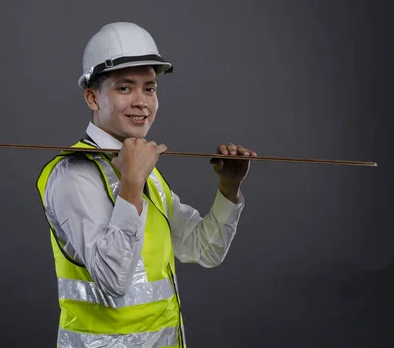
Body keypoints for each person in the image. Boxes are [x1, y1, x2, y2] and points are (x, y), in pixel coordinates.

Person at [35, 22, 257, 348]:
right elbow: (113, 280)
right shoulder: (74, 175)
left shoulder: (146, 172)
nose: (141, 102)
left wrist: (229, 188)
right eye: (125, 88)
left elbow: (204, 250)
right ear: (92, 97)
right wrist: (132, 181)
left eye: (149, 88)